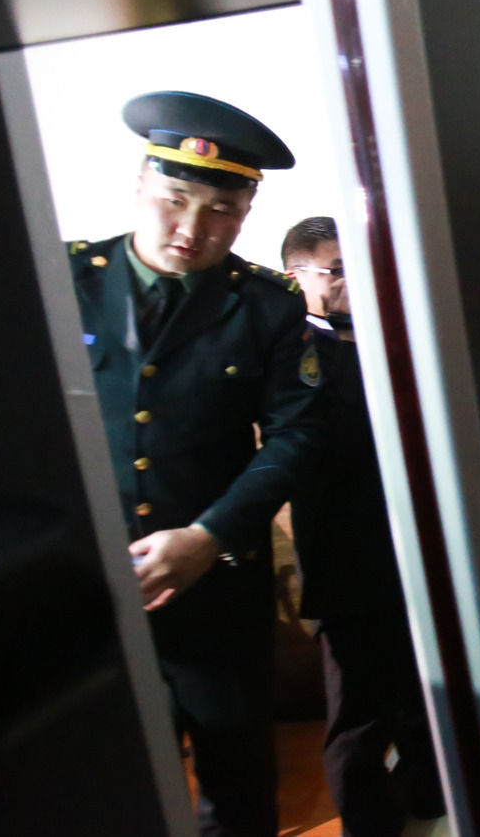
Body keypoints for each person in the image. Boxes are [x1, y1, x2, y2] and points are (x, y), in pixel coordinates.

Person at [68, 91, 326, 837]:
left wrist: (208, 538)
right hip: (86, 589)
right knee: (105, 783)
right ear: (139, 186)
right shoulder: (64, 280)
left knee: (237, 782)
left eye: (221, 210)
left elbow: (298, 435)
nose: (191, 230)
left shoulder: (267, 304)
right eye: (175, 200)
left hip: (216, 588)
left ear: (246, 212)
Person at [281, 217, 444, 836]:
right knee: (357, 715)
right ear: (296, 276)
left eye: (358, 267)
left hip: (406, 551)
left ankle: (431, 797)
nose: (352, 282)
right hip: (343, 562)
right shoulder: (292, 351)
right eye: (336, 269)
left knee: (420, 691)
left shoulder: (381, 339)